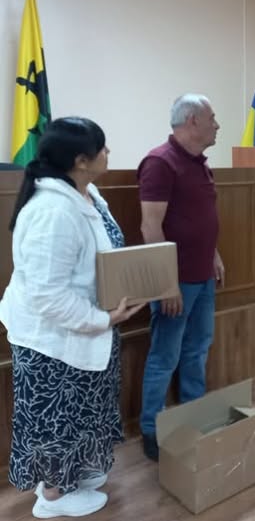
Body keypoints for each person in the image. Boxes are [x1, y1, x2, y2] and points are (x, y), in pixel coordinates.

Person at [0, 118, 143, 518]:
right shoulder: (52, 211)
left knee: (85, 410)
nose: (108, 153)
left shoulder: (87, 193)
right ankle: (53, 496)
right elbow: (48, 296)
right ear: (81, 160)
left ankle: (73, 475)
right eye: (103, 148)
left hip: (91, 325)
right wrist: (102, 319)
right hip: (53, 339)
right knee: (57, 418)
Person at [138, 94, 224, 461]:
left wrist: (214, 254)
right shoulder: (160, 162)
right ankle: (150, 429)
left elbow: (203, 218)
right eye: (212, 118)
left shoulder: (200, 163)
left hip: (203, 276)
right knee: (165, 356)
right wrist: (166, 283)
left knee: (198, 349)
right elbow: (150, 227)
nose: (217, 125)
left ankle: (193, 415)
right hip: (177, 281)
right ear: (192, 121)